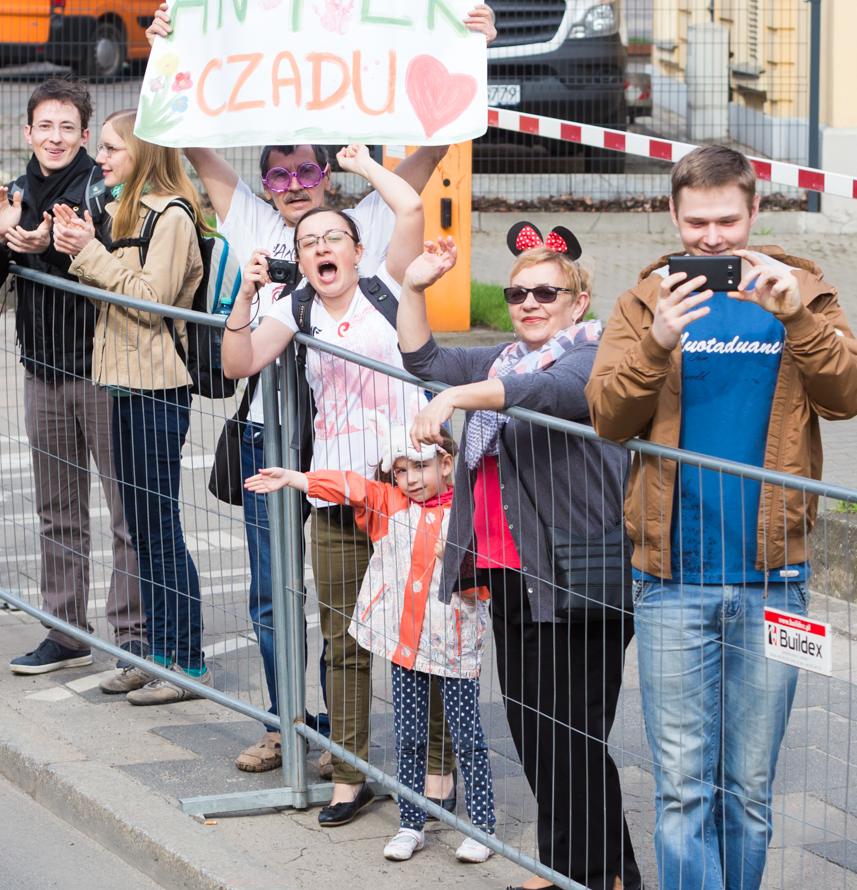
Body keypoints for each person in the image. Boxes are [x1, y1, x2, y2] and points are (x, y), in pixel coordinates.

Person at [143, 1, 495, 776]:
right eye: (282, 175)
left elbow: (431, 153)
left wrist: (470, 51)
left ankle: (410, 756)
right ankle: (293, 725)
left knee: (402, 604)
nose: (297, 185)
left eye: (308, 171)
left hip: (373, 452)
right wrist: (163, 49)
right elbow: (192, 143)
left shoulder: (362, 218)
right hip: (288, 436)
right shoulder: (252, 221)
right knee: (284, 596)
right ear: (267, 186)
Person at [585, 145, 857, 890]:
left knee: (749, 789)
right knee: (683, 788)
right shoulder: (645, 300)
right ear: (673, 215)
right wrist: (656, 345)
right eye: (696, 222)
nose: (712, 239)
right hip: (671, 581)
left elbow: (851, 395)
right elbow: (608, 416)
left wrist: (799, 318)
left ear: (754, 213)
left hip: (778, 582)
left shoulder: (803, 288)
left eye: (727, 220)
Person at [401, 226, 642, 890]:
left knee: (574, 733)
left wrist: (455, 398)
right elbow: (423, 358)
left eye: (546, 291)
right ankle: (580, 865)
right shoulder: (505, 359)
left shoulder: (596, 354)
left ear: (579, 298)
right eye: (518, 291)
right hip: (514, 577)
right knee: (536, 729)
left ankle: (595, 874)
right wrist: (416, 286)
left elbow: (547, 395)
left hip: (580, 571)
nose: (530, 301)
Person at [222, 142, 442, 828]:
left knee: (420, 640)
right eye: (308, 241)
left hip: (405, 494)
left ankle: (436, 774)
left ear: (354, 249)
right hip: (337, 494)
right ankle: (350, 776)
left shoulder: (388, 280)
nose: (320, 247)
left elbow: (407, 203)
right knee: (343, 640)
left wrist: (361, 163)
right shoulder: (295, 307)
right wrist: (246, 293)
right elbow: (236, 363)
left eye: (331, 237)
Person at [0, 78, 147, 676]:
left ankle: (136, 636)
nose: (56, 138)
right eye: (46, 126)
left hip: (103, 371)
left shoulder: (102, 185)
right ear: (28, 132)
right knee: (57, 509)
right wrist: (4, 238)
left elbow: (113, 255)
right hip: (42, 371)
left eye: (68, 128)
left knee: (128, 510)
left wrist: (52, 245)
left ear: (85, 135)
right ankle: (65, 632)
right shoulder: (15, 191)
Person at [244, 429, 497, 865]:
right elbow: (348, 485)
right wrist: (298, 479)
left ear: (445, 463)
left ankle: (482, 828)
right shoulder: (389, 504)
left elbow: (486, 582)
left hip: (454, 648)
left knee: (467, 737)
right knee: (409, 737)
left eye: (419, 466)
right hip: (404, 646)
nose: (411, 479)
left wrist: (460, 563)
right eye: (401, 470)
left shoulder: (467, 512)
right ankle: (410, 824)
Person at [52, 109, 207, 705]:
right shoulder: (127, 210)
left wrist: (88, 252)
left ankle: (186, 663)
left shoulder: (170, 215)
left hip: (155, 388)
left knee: (159, 527)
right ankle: (158, 654)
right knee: (140, 529)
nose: (102, 159)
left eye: (113, 148)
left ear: (142, 153)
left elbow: (148, 300)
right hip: (121, 382)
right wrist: (75, 241)